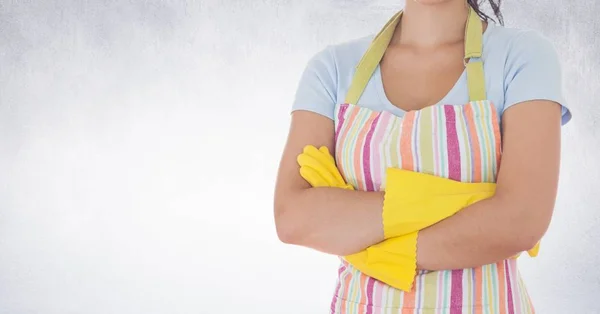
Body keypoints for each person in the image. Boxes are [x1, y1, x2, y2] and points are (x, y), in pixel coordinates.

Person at [274, 0, 571, 312]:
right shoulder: (332, 69)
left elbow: (521, 220)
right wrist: (476, 204)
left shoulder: (525, 56)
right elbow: (292, 218)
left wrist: (372, 250)